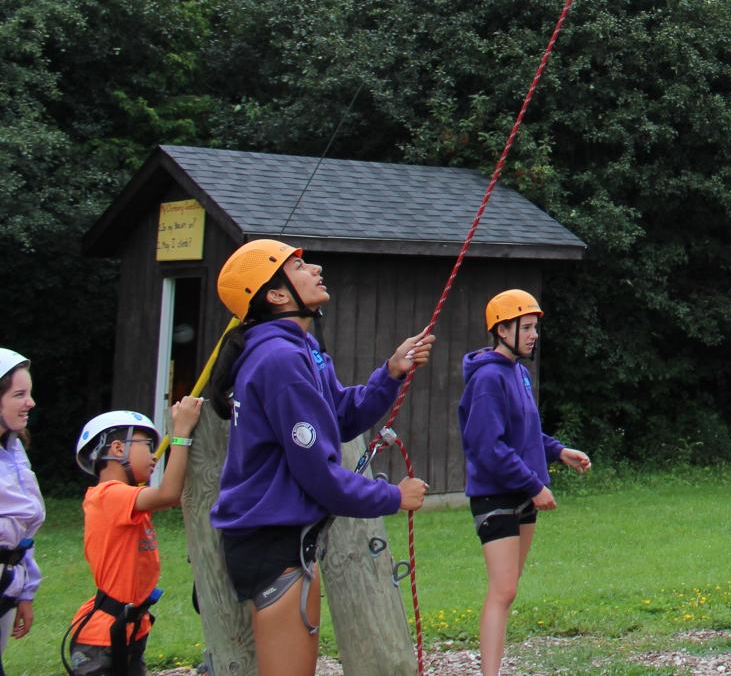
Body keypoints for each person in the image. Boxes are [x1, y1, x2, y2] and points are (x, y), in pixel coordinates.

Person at [207, 240, 434, 676]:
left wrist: (390, 374)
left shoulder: (301, 351)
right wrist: (392, 496)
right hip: (272, 544)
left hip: (283, 539)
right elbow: (320, 476)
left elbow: (340, 417)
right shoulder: (279, 359)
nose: (315, 267)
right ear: (275, 295)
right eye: (297, 265)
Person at [459, 291, 591, 676]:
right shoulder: (487, 378)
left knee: (509, 588)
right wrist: (534, 485)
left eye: (536, 327)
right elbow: (488, 447)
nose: (534, 335)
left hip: (522, 495)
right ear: (503, 329)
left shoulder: (518, 372)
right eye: (527, 327)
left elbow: (525, 431)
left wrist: (559, 451)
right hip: (495, 495)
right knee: (503, 591)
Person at [63, 397, 204, 675]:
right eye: (147, 446)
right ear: (117, 448)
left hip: (129, 626)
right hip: (102, 636)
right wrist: (181, 435)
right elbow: (169, 493)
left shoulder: (126, 500)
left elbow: (177, 495)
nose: (154, 456)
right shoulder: (108, 495)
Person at [0, 349, 41, 676]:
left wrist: (24, 593)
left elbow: (23, 532)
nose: (30, 403)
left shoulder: (13, 451)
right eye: (19, 394)